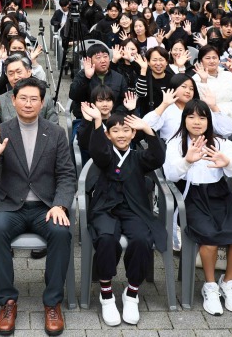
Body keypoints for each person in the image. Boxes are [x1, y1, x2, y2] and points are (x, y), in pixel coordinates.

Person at [0, 77, 76, 336]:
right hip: (10, 206)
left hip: (45, 207)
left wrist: (60, 205)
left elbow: (67, 175)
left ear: (42, 102)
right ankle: (7, 301)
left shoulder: (56, 133)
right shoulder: (1, 130)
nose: (28, 103)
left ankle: (52, 302)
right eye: (23, 98)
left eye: (34, 99)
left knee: (61, 232)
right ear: (13, 100)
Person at [164, 99, 232, 316]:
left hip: (220, 195)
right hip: (192, 196)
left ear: (208, 120)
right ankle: (210, 286)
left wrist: (228, 163)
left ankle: (228, 282)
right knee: (210, 242)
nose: (197, 122)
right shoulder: (175, 143)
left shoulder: (220, 143)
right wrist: (186, 161)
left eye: (202, 117)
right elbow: (169, 175)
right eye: (191, 117)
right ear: (184, 119)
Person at [85, 109, 165, 326]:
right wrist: (98, 122)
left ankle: (132, 293)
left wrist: (148, 130)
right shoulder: (106, 156)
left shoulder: (139, 157)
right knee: (106, 238)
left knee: (142, 239)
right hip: (105, 209)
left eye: (126, 130)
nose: (121, 134)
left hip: (134, 210)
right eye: (115, 130)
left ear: (133, 134)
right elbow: (97, 151)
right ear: (108, 135)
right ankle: (106, 293)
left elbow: (158, 157)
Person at [0, 55, 58, 134]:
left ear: (29, 72)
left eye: (19, 72)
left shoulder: (45, 99)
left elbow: (54, 130)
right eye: (11, 73)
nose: (15, 77)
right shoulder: (0, 101)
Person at [143, 74, 232, 141]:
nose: (188, 91)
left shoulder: (201, 108)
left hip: (202, 151)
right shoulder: (167, 110)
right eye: (184, 87)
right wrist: (163, 105)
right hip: (174, 153)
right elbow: (146, 126)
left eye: (191, 88)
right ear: (173, 88)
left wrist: (214, 107)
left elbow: (226, 130)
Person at [193, 45, 232, 120]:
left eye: (214, 58)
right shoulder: (195, 79)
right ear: (201, 61)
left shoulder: (228, 75)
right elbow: (202, 102)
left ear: (219, 59)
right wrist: (203, 81)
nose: (212, 61)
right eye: (208, 58)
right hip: (213, 117)